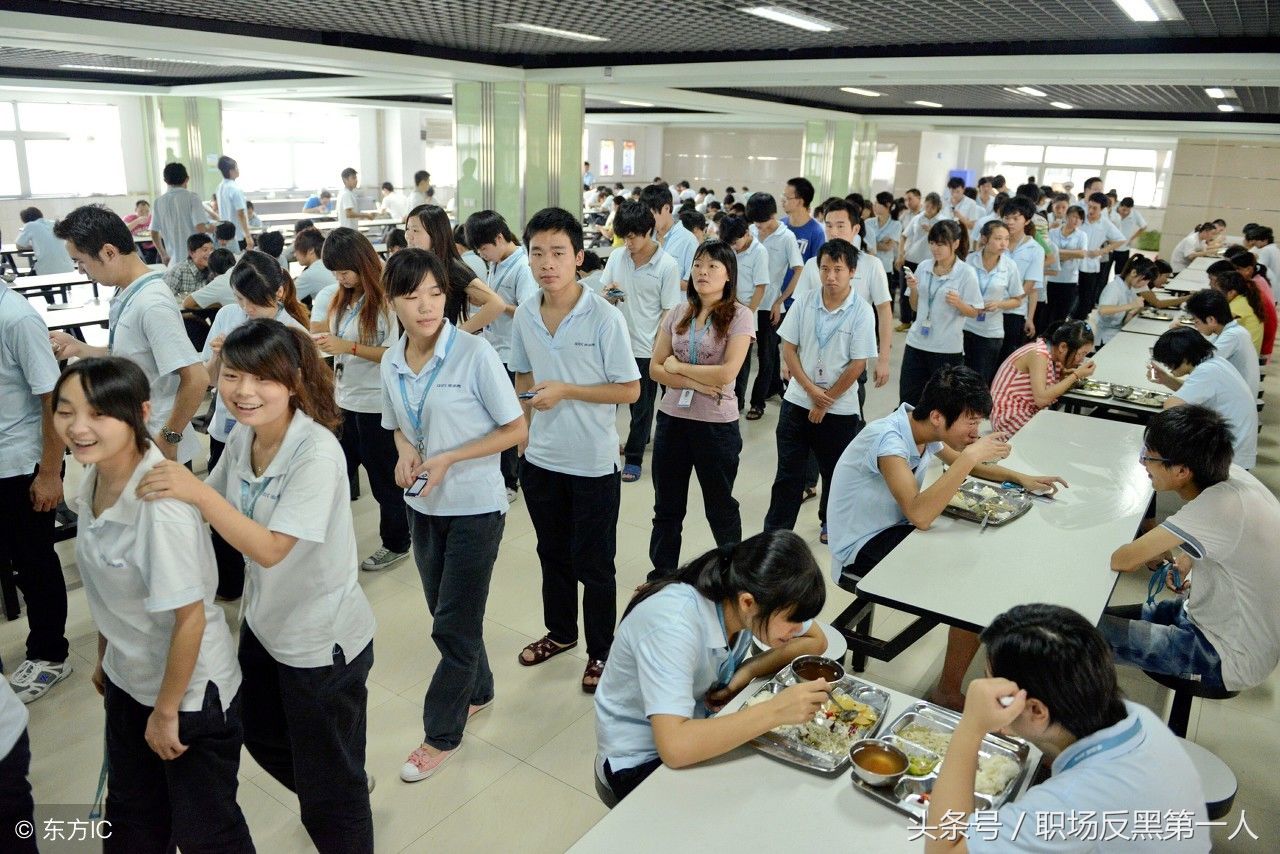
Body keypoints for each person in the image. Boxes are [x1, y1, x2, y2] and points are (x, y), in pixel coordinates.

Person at [136, 319, 375, 852]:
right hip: (265, 628)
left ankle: (338, 797)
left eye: (262, 379)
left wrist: (195, 496)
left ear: (293, 381)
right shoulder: (246, 437)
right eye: (234, 376)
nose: (244, 392)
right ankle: (336, 785)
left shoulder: (316, 452)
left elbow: (268, 547)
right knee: (263, 736)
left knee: (331, 792)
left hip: (321, 643)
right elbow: (208, 501)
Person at [53, 358, 254, 853]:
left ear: (140, 412)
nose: (78, 428)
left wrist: (166, 714)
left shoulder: (159, 505)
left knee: (207, 834)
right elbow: (107, 586)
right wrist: (107, 656)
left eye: (99, 414)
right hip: (131, 679)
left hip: (187, 699)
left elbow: (188, 620)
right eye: (65, 411)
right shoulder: (95, 478)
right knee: (133, 824)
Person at [829, 365, 1063, 709]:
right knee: (968, 586)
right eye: (970, 422)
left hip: (895, 530)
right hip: (860, 546)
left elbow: (968, 464)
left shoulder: (921, 428)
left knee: (977, 550)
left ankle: (960, 676)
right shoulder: (889, 442)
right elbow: (921, 515)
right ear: (938, 417)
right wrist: (969, 457)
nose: (976, 431)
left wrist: (1021, 478)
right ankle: (949, 690)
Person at [377, 249, 525, 782]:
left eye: (436, 293)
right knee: (446, 608)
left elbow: (515, 430)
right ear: (392, 300)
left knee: (452, 626)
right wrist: (403, 452)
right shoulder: (392, 360)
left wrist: (449, 458)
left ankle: (441, 734)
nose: (426, 306)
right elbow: (397, 424)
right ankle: (479, 689)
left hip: (475, 508)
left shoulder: (473, 354)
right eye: (412, 296)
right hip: (422, 505)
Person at [925, 603, 1210, 854]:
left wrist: (970, 728)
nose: (983, 691)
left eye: (991, 684)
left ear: (1036, 710)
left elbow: (943, 850)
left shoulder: (1068, 803)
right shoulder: (1133, 716)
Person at [594, 531, 831, 805]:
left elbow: (816, 641)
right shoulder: (673, 624)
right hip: (638, 760)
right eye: (792, 620)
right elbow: (675, 747)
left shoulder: (745, 598)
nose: (796, 628)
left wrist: (747, 671)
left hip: (693, 726)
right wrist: (776, 710)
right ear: (747, 602)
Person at [508, 208, 641, 694]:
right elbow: (522, 375)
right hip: (541, 460)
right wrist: (523, 430)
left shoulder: (603, 316)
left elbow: (629, 389)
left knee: (595, 561)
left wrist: (566, 390)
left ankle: (601, 651)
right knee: (552, 554)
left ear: (579, 258)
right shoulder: (525, 312)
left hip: (592, 464)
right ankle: (561, 633)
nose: (547, 263)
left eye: (558, 253)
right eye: (538, 253)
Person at [1103, 405, 1279, 699]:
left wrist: (1147, 549)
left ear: (1183, 471)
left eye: (1150, 457)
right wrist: (1184, 560)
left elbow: (1123, 559)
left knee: (1077, 638)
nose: (1143, 463)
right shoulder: (1231, 477)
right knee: (1090, 617)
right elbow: (1223, 539)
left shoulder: (1216, 507)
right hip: (1217, 620)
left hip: (1222, 655)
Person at [49, 206, 209, 466]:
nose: (80, 270)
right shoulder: (129, 292)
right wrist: (79, 348)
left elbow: (196, 378)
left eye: (80, 261)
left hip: (156, 441)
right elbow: (129, 355)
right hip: (135, 435)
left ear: (109, 252)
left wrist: (168, 438)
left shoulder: (152, 304)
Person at [201, 252, 309, 599]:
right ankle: (229, 583)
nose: (245, 308)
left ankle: (270, 583)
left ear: (278, 292)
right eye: (239, 299)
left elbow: (302, 398)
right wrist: (219, 357)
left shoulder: (293, 333)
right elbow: (207, 379)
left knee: (262, 513)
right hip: (227, 432)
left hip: (270, 439)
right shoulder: (226, 316)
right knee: (224, 510)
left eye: (253, 301)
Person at [647, 240, 753, 578]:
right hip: (672, 419)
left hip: (716, 425)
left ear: (728, 275)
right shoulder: (678, 312)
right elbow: (654, 368)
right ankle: (662, 573)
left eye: (712, 267)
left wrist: (677, 368)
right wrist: (693, 382)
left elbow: (726, 374)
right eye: (697, 265)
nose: (702, 272)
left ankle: (730, 574)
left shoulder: (740, 315)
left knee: (720, 505)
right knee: (667, 506)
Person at [763, 238, 876, 542]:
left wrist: (825, 400)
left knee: (834, 472)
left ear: (852, 271)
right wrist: (812, 390)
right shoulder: (805, 301)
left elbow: (858, 365)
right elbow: (788, 349)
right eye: (825, 268)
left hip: (839, 409)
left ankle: (830, 520)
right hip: (798, 401)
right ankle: (775, 534)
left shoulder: (862, 312)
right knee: (789, 474)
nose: (830, 276)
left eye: (838, 269)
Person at [314, 227, 408, 571]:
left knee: (384, 480)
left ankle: (397, 542)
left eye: (345, 271)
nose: (341, 278)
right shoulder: (343, 297)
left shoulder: (385, 299)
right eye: (335, 273)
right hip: (345, 398)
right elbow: (339, 340)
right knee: (336, 471)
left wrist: (347, 346)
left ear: (361, 263)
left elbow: (394, 353)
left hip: (373, 404)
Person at [0, 275, 70, 704]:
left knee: (33, 562)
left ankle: (49, 655)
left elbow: (52, 399)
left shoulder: (17, 318)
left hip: (19, 463)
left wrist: (50, 472)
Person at [599, 202, 682, 483]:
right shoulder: (617, 257)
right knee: (608, 404)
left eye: (634, 236)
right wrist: (609, 293)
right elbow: (605, 291)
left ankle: (633, 458)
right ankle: (606, 450)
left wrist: (660, 350)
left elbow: (670, 311)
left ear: (649, 231)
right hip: (614, 346)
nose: (629, 243)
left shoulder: (667, 265)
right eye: (625, 237)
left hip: (647, 347)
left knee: (641, 408)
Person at [467, 210, 539, 501]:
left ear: (499, 238)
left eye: (484, 249)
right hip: (495, 348)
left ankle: (512, 480)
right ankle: (503, 474)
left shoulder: (522, 266)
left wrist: (494, 305)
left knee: (509, 418)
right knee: (496, 416)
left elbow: (527, 311)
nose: (483, 255)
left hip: (513, 352)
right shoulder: (497, 264)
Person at [899, 221, 983, 407]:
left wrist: (959, 303)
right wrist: (913, 289)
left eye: (941, 244)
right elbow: (914, 307)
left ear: (955, 244)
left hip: (946, 348)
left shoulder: (966, 273)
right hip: (916, 343)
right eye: (932, 243)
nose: (935, 248)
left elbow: (975, 312)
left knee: (940, 404)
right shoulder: (923, 267)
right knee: (908, 398)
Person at [1148, 327, 1257, 470]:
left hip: (1228, 455)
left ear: (1184, 357)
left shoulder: (1206, 372)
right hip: (1235, 444)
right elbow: (1195, 393)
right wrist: (1166, 380)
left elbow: (1170, 406)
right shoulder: (1216, 362)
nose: (1167, 366)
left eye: (1168, 362)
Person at [402, 204, 505, 336]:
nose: (408, 236)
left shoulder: (452, 267)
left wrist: (456, 334)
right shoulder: (412, 264)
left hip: (440, 350)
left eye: (415, 230)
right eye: (407, 229)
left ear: (435, 234)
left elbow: (496, 304)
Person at [744, 192, 803, 420]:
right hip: (748, 303)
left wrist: (781, 301)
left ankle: (757, 403)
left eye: (763, 222)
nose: (760, 227)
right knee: (743, 352)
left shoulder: (786, 237)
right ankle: (741, 397)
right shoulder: (750, 231)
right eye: (756, 222)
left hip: (770, 305)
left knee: (767, 356)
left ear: (773, 215)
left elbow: (798, 269)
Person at [990, 321, 1096, 435]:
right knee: (1067, 434)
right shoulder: (1038, 354)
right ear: (1063, 347)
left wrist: (1065, 377)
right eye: (1081, 354)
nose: (1081, 359)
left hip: (1023, 412)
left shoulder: (1049, 352)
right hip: (1009, 417)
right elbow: (1041, 399)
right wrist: (1076, 375)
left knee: (1070, 429)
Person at [718, 216, 770, 410]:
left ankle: (737, 402)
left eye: (736, 242)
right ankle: (723, 397)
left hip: (745, 313)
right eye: (730, 243)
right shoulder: (729, 248)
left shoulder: (759, 252)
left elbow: (760, 287)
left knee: (741, 362)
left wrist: (746, 315)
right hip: (724, 310)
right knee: (722, 357)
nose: (734, 247)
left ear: (747, 233)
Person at [962, 220, 1023, 384]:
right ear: (984, 238)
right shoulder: (968, 261)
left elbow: (1017, 300)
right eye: (998, 238)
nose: (1003, 243)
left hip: (990, 333)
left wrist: (999, 304)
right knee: (958, 378)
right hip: (964, 327)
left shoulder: (1010, 266)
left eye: (1006, 239)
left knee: (980, 381)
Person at [1185, 289, 1260, 395]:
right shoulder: (1232, 330)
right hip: (1237, 394)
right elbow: (1205, 348)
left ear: (1211, 320)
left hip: (1234, 402)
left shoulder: (1232, 336)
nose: (1195, 326)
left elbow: (1200, 365)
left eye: (1196, 321)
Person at [998, 196, 1044, 363]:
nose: (1010, 222)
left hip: (1014, 312)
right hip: (989, 309)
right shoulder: (996, 243)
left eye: (1015, 218)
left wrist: (1029, 317)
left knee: (1005, 357)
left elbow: (1031, 286)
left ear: (1027, 220)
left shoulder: (1035, 249)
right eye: (1007, 218)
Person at [899, 191, 950, 330]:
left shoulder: (943, 221)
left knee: (923, 292)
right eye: (927, 206)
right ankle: (905, 320)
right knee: (906, 290)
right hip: (911, 258)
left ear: (937, 208)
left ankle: (918, 320)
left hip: (930, 262)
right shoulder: (917, 218)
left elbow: (946, 241)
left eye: (932, 207)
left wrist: (932, 230)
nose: (928, 209)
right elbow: (904, 236)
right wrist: (900, 254)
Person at [1071, 193, 1125, 322]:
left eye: (1095, 208)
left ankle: (1079, 322)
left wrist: (1101, 251)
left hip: (1090, 263)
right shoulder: (1080, 218)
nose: (1090, 211)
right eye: (1089, 207)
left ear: (1102, 209)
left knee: (1086, 295)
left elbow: (1120, 240)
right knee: (1071, 293)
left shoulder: (1105, 223)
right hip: (1073, 260)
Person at [150, 163, 215, 267]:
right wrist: (212, 228)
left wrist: (163, 254)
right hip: (194, 261)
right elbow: (200, 228)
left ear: (165, 181)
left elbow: (153, 233)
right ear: (187, 179)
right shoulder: (192, 197)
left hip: (173, 262)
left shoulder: (158, 202)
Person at [641, 184, 696, 292]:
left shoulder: (688, 240)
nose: (648, 220)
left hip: (675, 305)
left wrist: (657, 278)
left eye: (652, 214)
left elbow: (692, 284)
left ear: (667, 208)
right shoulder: (647, 235)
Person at [1093, 255, 1156, 345]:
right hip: (1106, 338)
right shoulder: (1114, 287)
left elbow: (1125, 319)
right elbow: (1103, 310)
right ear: (1133, 272)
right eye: (1144, 280)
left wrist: (1133, 311)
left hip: (1118, 333)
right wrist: (1131, 305)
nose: (1145, 284)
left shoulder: (1130, 288)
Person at [1044, 204, 1088, 327]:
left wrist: (1057, 253)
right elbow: (1046, 252)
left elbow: (1082, 254)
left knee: (1062, 313)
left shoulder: (1081, 235)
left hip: (1069, 279)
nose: (1076, 220)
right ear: (1067, 216)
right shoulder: (1052, 232)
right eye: (1074, 216)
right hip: (1051, 278)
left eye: (1079, 218)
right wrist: (1071, 254)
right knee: (1047, 312)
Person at [1207, 264, 1265, 353]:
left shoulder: (1237, 306)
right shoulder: (1243, 299)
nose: (1216, 294)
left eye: (1218, 291)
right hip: (1246, 351)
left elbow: (1211, 328)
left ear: (1231, 292)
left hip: (1243, 356)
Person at [15, 208, 75, 275]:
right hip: (68, 268)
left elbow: (19, 245)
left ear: (25, 220)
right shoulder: (54, 223)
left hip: (47, 270)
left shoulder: (30, 225)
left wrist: (35, 246)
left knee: (29, 278)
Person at [214, 155, 253, 251]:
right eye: (236, 167)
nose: (238, 170)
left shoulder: (220, 187)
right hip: (238, 235)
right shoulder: (235, 189)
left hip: (225, 234)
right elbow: (240, 214)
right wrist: (248, 236)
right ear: (231, 171)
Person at [163, 233, 214, 301]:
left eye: (212, 249)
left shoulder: (214, 270)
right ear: (192, 253)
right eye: (205, 250)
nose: (210, 253)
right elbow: (165, 298)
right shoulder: (179, 271)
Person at [291, 227, 336, 302]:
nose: (295, 255)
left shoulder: (310, 274)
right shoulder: (327, 264)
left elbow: (286, 299)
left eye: (296, 250)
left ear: (311, 250)